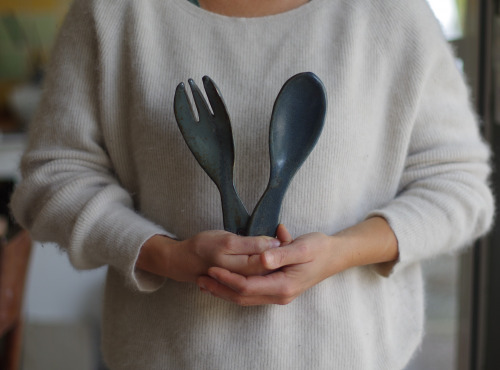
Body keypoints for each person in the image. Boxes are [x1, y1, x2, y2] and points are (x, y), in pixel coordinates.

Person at [10, 0, 494, 368]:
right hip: (163, 357)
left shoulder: (392, 15)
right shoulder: (115, 13)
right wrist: (165, 254)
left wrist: (341, 251)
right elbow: (54, 179)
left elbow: (459, 185)